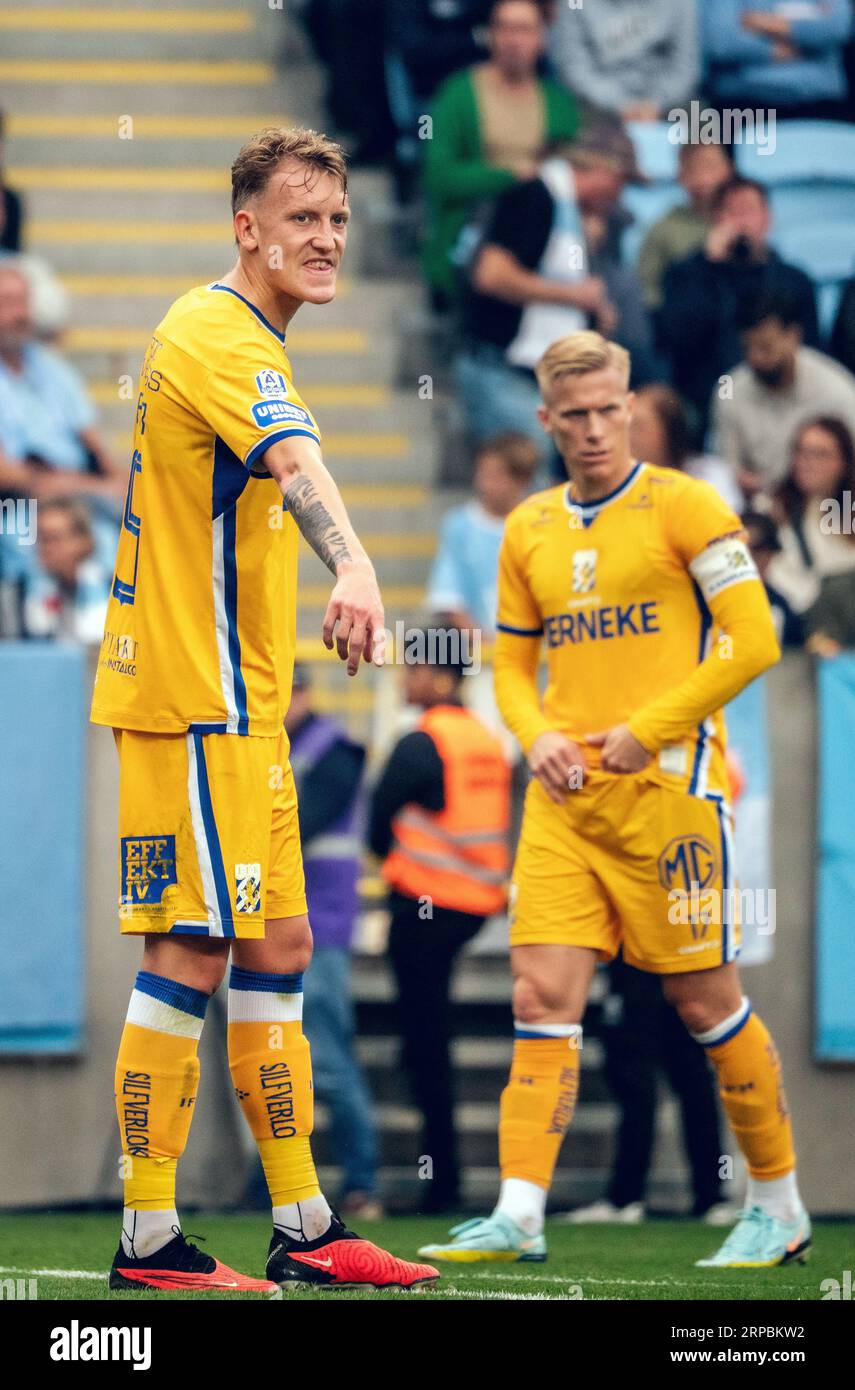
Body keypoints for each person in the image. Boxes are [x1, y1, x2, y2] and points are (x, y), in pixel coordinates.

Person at [89, 126, 438, 1295]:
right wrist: (357, 567)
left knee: (279, 945)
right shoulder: (217, 332)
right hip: (193, 705)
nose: (327, 239)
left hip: (245, 716)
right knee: (189, 946)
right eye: (302, 219)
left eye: (337, 220)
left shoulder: (247, 340)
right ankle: (147, 1236)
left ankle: (304, 1225)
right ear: (248, 228)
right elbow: (298, 467)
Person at [418, 330, 810, 1270]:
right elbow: (511, 663)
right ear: (546, 421)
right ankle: (521, 1210)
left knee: (703, 1001)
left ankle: (780, 1204)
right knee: (539, 993)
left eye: (609, 410)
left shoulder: (687, 507)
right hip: (565, 800)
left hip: (670, 794)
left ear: (630, 406)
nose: (594, 430)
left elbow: (751, 640)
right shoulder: (528, 528)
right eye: (575, 417)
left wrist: (651, 727)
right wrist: (536, 733)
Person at [369, 637, 512, 1213]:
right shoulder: (487, 740)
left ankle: (443, 1183)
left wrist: (398, 864)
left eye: (415, 668)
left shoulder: (420, 742)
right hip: (475, 907)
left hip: (424, 908)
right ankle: (444, 1177)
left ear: (440, 677)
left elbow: (376, 825)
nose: (405, 678)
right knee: (430, 1039)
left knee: (425, 1045)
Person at [455, 118, 650, 462]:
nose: (620, 195)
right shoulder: (535, 197)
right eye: (621, 182)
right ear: (602, 170)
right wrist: (577, 297)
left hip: (531, 379)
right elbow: (491, 273)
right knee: (531, 475)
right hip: (502, 372)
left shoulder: (568, 213)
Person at [285, 663, 382, 1220]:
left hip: (320, 925)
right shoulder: (292, 747)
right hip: (288, 925)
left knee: (329, 1058)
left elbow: (300, 825)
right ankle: (267, 1183)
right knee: (282, 1055)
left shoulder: (336, 751)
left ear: (301, 692)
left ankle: (363, 1183)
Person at [421, 0, 578, 310]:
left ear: (542, 38)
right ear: (490, 35)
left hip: (548, 228)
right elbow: (438, 176)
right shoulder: (458, 95)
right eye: (504, 28)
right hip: (476, 229)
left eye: (524, 29)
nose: (513, 39)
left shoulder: (558, 102)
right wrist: (509, 175)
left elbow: (576, 167)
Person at [564, 952, 732, 1226]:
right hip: (657, 963)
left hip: (672, 962)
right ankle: (634, 1195)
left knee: (687, 1083)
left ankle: (707, 1195)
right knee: (650, 1086)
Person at [657, 177, 818, 435]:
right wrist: (708, 266)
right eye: (731, 212)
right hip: (703, 404)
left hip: (780, 404)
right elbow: (676, 340)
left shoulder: (794, 281)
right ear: (715, 219)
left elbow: (809, 352)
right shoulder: (686, 274)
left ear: (767, 218)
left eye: (748, 211)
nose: (740, 222)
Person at [713, 289, 855, 498]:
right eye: (747, 347)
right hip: (759, 510)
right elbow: (725, 470)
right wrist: (738, 479)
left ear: (793, 336)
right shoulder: (729, 390)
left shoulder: (837, 390)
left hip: (827, 507)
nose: (755, 358)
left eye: (765, 347)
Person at [426, 431, 539, 636]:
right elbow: (448, 598)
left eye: (495, 477)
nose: (484, 484)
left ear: (522, 479)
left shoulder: (541, 524)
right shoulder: (459, 526)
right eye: (482, 474)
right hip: (483, 656)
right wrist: (485, 645)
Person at [765, 417, 855, 644]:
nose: (807, 462)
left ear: (844, 461)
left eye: (820, 454)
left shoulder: (847, 512)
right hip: (801, 633)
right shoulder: (771, 512)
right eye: (801, 452)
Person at [549, 0, 700, 121]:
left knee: (706, 141)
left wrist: (655, 104)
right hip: (597, 105)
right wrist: (619, 105)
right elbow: (573, 68)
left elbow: (686, 67)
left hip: (668, 104)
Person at [703, 0, 853, 121]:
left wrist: (762, 22)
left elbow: (836, 28)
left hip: (820, 105)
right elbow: (720, 42)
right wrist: (775, 49)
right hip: (742, 106)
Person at [636, 143, 733, 313]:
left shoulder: (744, 219)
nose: (704, 178)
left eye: (710, 166)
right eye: (694, 169)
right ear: (681, 176)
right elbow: (647, 294)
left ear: (728, 169)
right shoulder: (664, 230)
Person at [629, 382, 742, 511]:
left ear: (670, 431)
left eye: (637, 427)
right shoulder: (621, 483)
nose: (628, 436)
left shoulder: (711, 475)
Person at [21, 498, 111, 644]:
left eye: (54, 538)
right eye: (41, 539)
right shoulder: (26, 591)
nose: (46, 548)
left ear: (83, 541)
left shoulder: (112, 591)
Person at [741, 510, 805, 649]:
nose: (747, 556)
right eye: (739, 548)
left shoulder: (781, 607)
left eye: (756, 548)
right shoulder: (702, 600)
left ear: (770, 554)